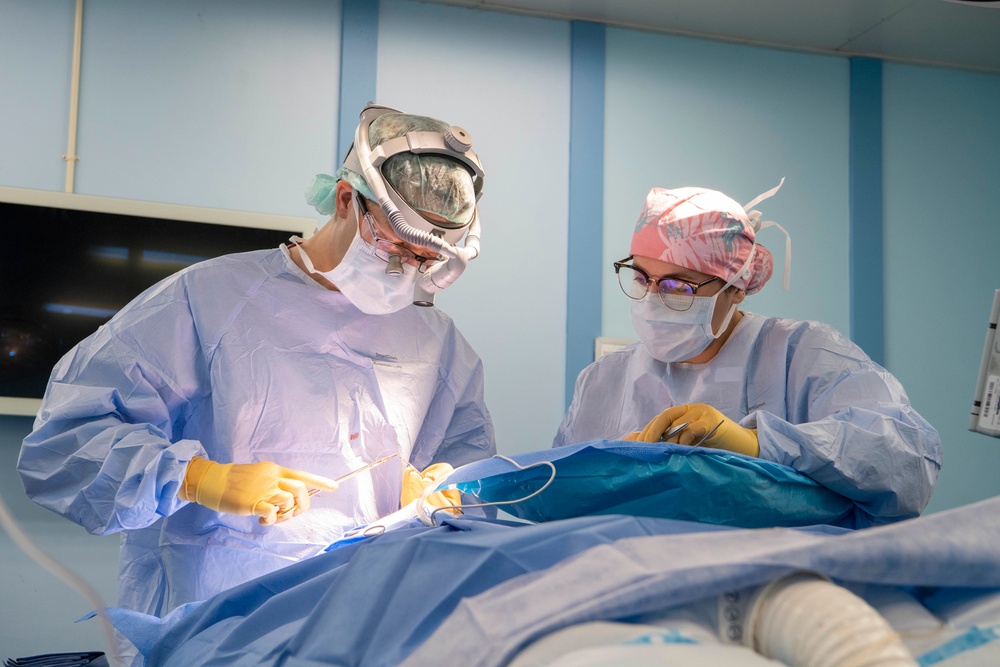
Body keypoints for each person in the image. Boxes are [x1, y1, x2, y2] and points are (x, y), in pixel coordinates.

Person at [17, 103, 495, 659]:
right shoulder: (209, 299)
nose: (406, 272)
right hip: (213, 628)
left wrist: (446, 491)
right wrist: (199, 479)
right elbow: (65, 442)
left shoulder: (436, 341)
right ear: (347, 201)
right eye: (394, 248)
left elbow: (469, 465)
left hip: (366, 627)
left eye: (425, 260)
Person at [554, 182, 941, 526]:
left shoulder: (802, 355)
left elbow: (907, 458)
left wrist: (758, 444)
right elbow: (559, 498)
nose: (653, 299)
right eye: (641, 277)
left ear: (736, 287)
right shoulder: (603, 381)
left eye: (680, 286)